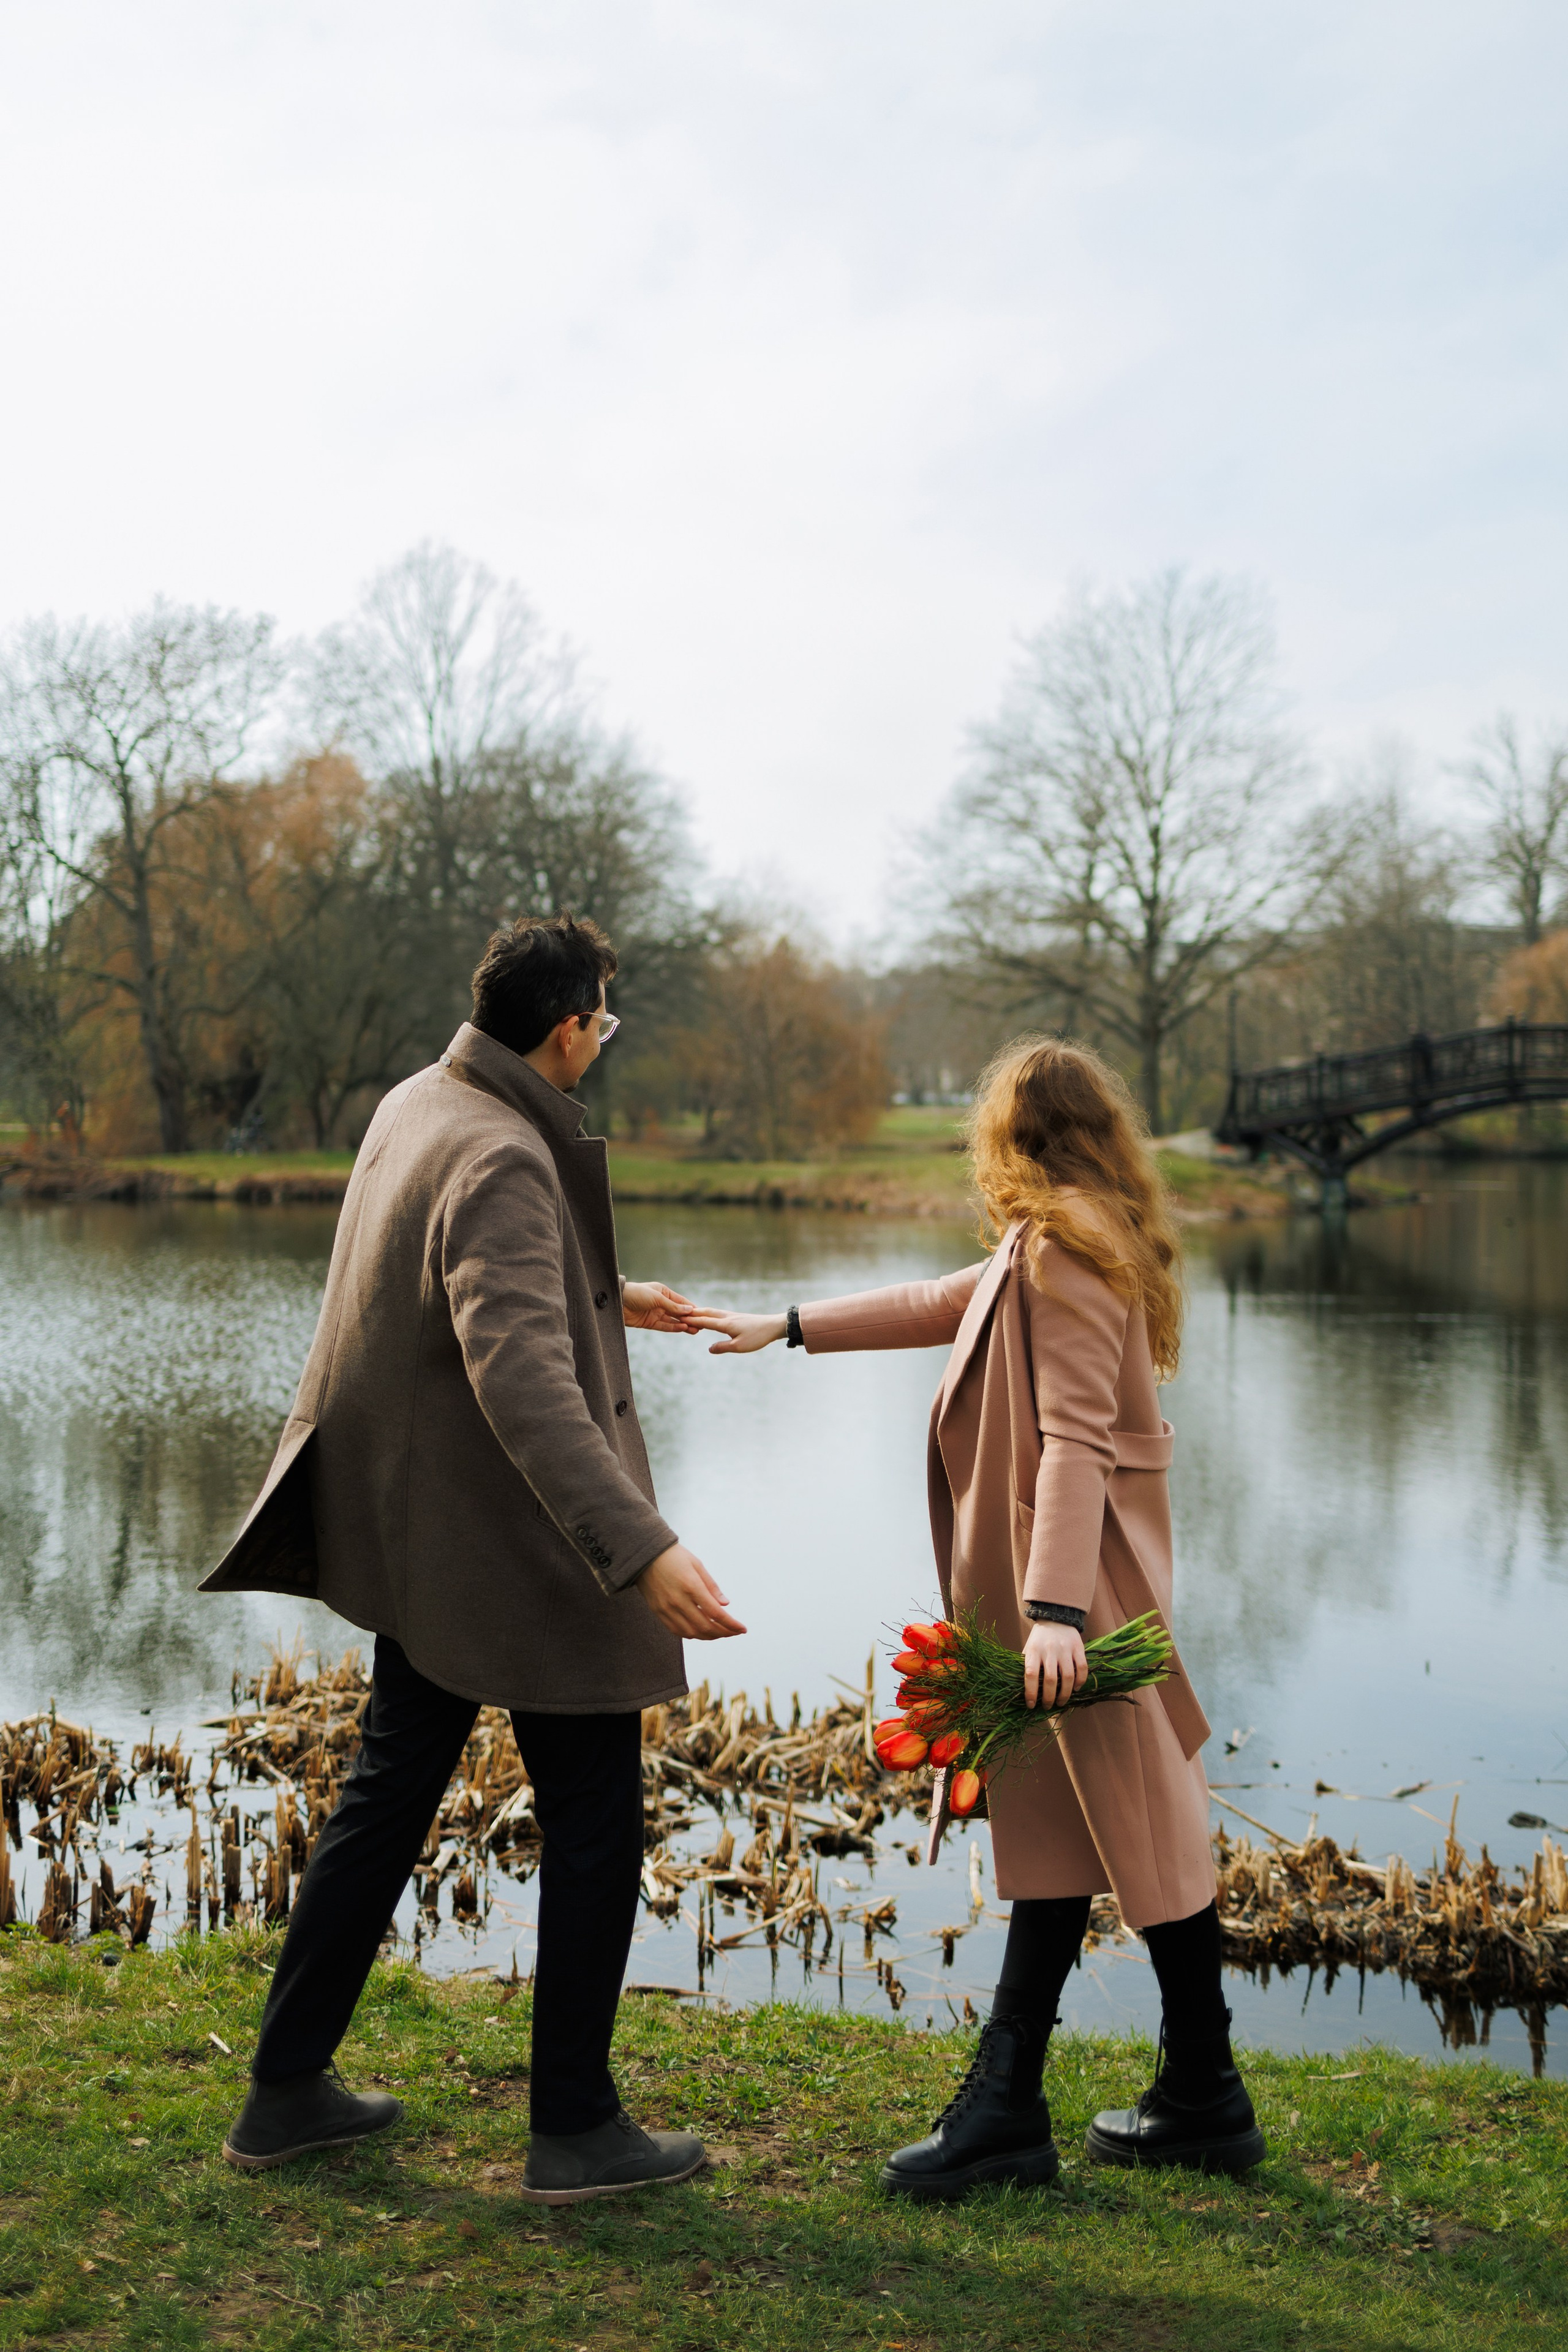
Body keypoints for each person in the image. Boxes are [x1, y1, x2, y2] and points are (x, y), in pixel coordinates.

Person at [202, 912, 745, 2205]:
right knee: (595, 1822)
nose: (600, 1041)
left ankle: (283, 2094)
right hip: (518, 1555)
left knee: (385, 1801)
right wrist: (640, 1547)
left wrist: (617, 1294)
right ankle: (574, 2130)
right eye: (601, 1021)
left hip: (425, 1544)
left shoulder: (420, 1102)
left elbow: (465, 1295)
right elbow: (523, 1384)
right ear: (565, 1028)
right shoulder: (505, 1153)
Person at [688, 1037, 1265, 2197]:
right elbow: (940, 1303)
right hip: (1076, 1592)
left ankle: (1035, 2108)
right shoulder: (1053, 1244)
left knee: (1122, 1833)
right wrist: (789, 1323)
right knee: (1112, 1832)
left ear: (1008, 1140)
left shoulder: (1069, 1253)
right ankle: (1185, 2096)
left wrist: (1052, 1611)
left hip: (1079, 1597)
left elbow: (1076, 1446)